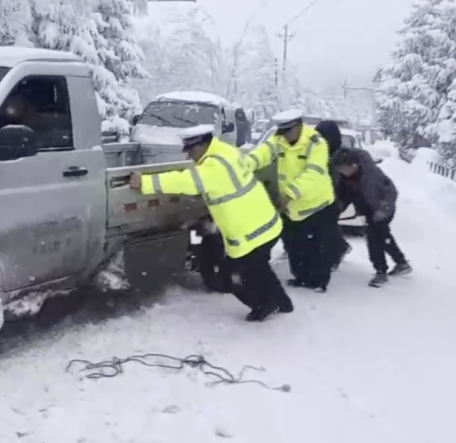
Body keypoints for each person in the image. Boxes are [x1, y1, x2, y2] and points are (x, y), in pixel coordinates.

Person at [129, 125, 292, 321]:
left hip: (251, 232)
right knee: (259, 268)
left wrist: (145, 183)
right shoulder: (226, 151)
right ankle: (282, 302)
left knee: (231, 276)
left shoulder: (214, 167)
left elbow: (185, 181)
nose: (190, 156)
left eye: (191, 151)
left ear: (203, 145)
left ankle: (264, 305)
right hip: (265, 224)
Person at [242, 110, 336, 292]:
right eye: (282, 132)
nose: (284, 136)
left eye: (288, 131)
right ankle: (301, 277)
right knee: (294, 244)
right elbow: (261, 154)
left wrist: (290, 194)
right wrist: (242, 166)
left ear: (299, 126)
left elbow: (313, 173)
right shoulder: (280, 139)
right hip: (291, 204)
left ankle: (319, 281)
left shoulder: (316, 143)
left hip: (316, 203)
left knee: (318, 246)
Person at [331, 147, 412, 287]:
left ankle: (381, 272)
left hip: (382, 209)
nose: (340, 172)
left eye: (342, 168)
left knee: (374, 239)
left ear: (353, 165)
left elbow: (392, 192)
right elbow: (344, 196)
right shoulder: (344, 177)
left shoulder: (372, 175)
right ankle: (402, 263)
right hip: (368, 209)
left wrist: (383, 209)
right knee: (384, 237)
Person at [313, 120, 354, 271]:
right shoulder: (324, 151)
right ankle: (339, 248)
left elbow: (337, 179)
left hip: (338, 197)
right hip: (328, 196)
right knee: (325, 227)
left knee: (327, 228)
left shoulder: (338, 155)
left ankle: (334, 256)